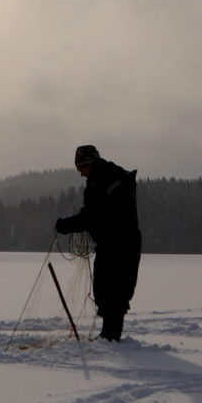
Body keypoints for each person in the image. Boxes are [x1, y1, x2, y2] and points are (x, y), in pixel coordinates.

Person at [54, 143, 141, 341]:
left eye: (81, 168)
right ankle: (110, 335)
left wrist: (64, 225)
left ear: (88, 163)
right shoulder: (113, 175)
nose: (81, 174)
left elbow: (91, 216)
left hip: (115, 245)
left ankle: (111, 337)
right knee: (112, 291)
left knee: (111, 291)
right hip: (126, 242)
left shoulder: (99, 182)